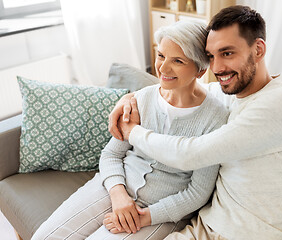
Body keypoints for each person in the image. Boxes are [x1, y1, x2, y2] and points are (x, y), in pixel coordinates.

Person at [108, 5, 282, 240]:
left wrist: (131, 131)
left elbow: (190, 155)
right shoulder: (233, 92)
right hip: (208, 226)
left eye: (227, 53)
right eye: (211, 56)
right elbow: (182, 88)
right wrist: (128, 99)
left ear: (258, 49)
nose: (217, 68)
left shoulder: (281, 104)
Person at [31, 21, 229, 240]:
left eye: (178, 61)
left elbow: (197, 192)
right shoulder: (142, 98)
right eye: (161, 55)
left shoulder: (216, 119)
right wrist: (119, 196)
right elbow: (111, 154)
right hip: (113, 186)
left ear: (200, 70)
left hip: (161, 211)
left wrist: (145, 216)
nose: (162, 68)